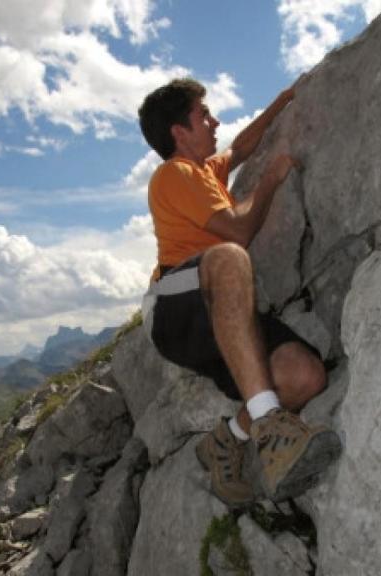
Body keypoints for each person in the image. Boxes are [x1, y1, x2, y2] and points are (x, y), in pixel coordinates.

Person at [137, 78, 341, 506]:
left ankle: (225, 441)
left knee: (305, 377)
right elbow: (238, 231)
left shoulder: (206, 171)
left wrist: (283, 99)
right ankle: (270, 427)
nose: (213, 122)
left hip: (220, 317)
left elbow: (242, 145)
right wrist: (269, 181)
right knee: (229, 255)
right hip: (178, 308)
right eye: (203, 115)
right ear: (179, 132)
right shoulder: (173, 174)